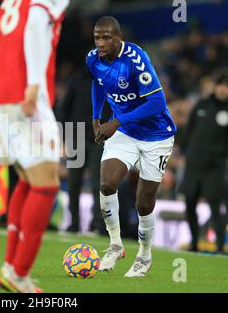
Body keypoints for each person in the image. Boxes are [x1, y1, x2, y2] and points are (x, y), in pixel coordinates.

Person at [0, 0, 69, 292]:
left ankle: (11, 266)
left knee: (29, 179)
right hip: (21, 90)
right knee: (47, 183)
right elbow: (33, 26)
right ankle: (19, 273)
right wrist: (32, 83)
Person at [86, 16, 177, 277]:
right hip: (124, 132)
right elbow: (97, 83)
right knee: (106, 184)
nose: (100, 43)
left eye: (106, 38)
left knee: (143, 203)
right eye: (97, 37)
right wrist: (95, 118)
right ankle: (115, 244)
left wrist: (115, 121)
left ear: (119, 38)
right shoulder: (93, 58)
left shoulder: (137, 59)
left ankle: (144, 256)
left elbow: (158, 104)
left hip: (157, 135)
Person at [57, 68, 110, 235]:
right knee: (74, 183)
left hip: (99, 137)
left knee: (97, 183)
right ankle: (74, 222)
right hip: (77, 136)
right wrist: (63, 138)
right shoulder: (76, 80)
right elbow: (64, 109)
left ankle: (97, 224)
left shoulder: (108, 80)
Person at [180, 72, 228, 254]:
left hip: (215, 166)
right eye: (221, 85)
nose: (223, 89)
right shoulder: (202, 105)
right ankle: (194, 243)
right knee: (189, 203)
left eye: (227, 86)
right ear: (216, 87)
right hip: (194, 164)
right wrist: (186, 151)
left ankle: (219, 246)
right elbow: (188, 130)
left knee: (215, 205)